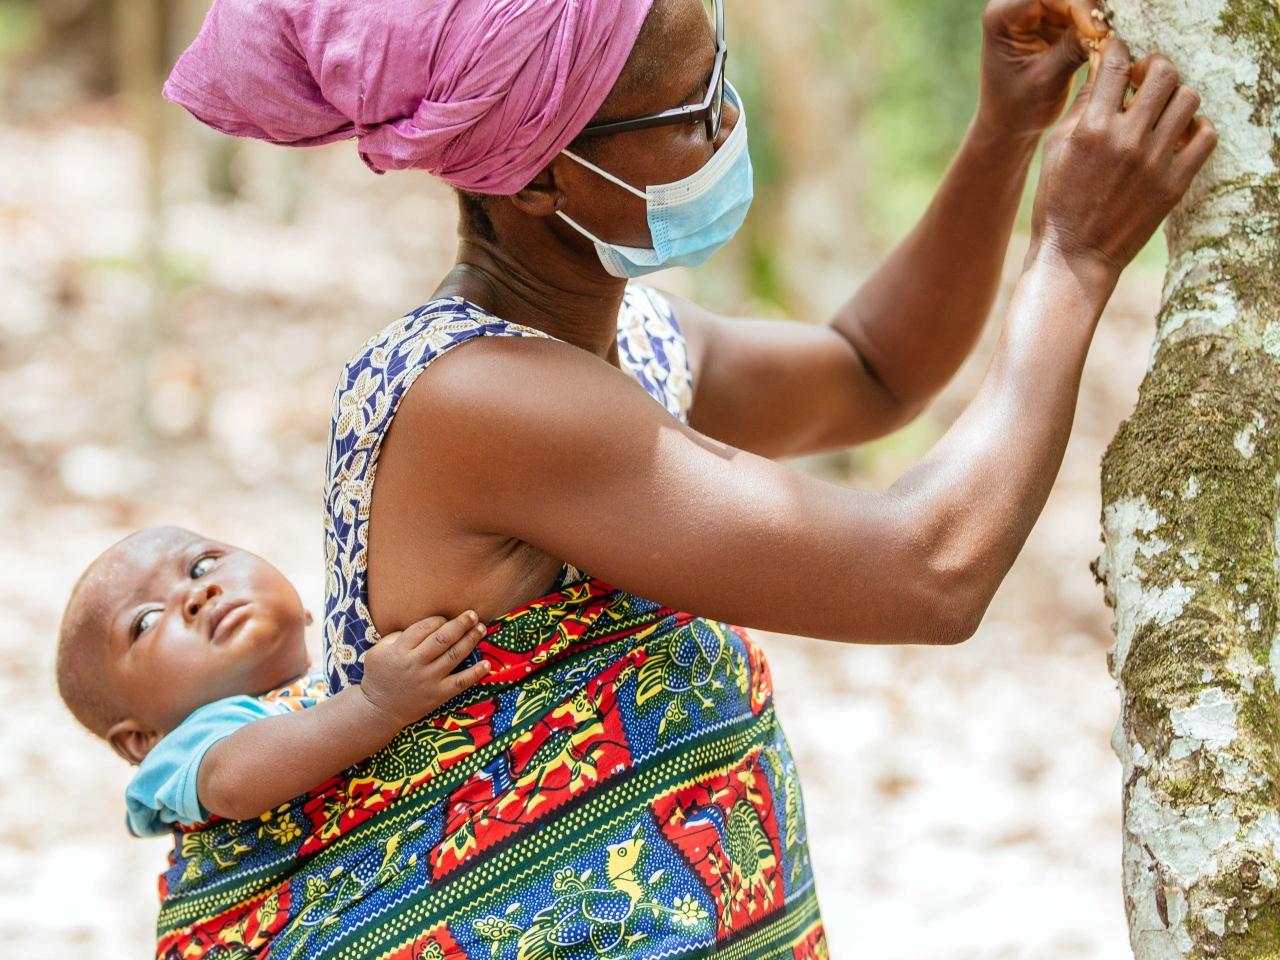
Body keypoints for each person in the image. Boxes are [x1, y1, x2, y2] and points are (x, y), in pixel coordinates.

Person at [154, 0, 1216, 957]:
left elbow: (869, 372)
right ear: (535, 177)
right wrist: (1071, 257)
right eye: (688, 110)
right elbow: (927, 570)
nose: (727, 125)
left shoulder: (614, 342)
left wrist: (1002, 136)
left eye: (720, 77)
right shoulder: (476, 400)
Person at [55, 526, 491, 836]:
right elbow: (234, 782)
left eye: (202, 565)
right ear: (141, 740)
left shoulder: (334, 680)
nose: (196, 595)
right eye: (146, 621)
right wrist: (377, 705)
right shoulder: (189, 747)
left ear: (302, 611)